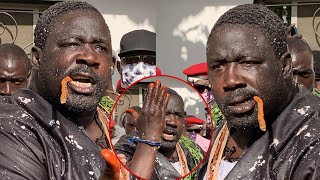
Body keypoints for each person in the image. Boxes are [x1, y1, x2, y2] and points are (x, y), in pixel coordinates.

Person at [0, 1, 126, 179]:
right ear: (37, 58)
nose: (90, 57)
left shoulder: (110, 130)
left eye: (100, 48)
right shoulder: (11, 127)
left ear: (112, 66)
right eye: (73, 44)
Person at [203, 4, 320, 179]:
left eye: (247, 63)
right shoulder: (228, 129)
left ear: (284, 66)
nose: (230, 81)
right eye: (218, 66)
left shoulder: (313, 142)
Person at [115, 82, 204, 180]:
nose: (172, 122)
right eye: (165, 114)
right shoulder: (128, 145)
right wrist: (149, 138)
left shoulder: (194, 152)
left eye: (178, 115)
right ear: (148, 115)